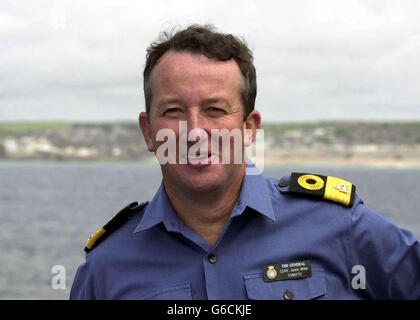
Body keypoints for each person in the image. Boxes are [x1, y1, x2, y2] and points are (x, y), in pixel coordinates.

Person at [70, 24, 420, 300]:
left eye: (215, 110)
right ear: (149, 131)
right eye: (174, 111)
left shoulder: (340, 226)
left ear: (249, 127)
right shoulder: (106, 269)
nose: (195, 132)